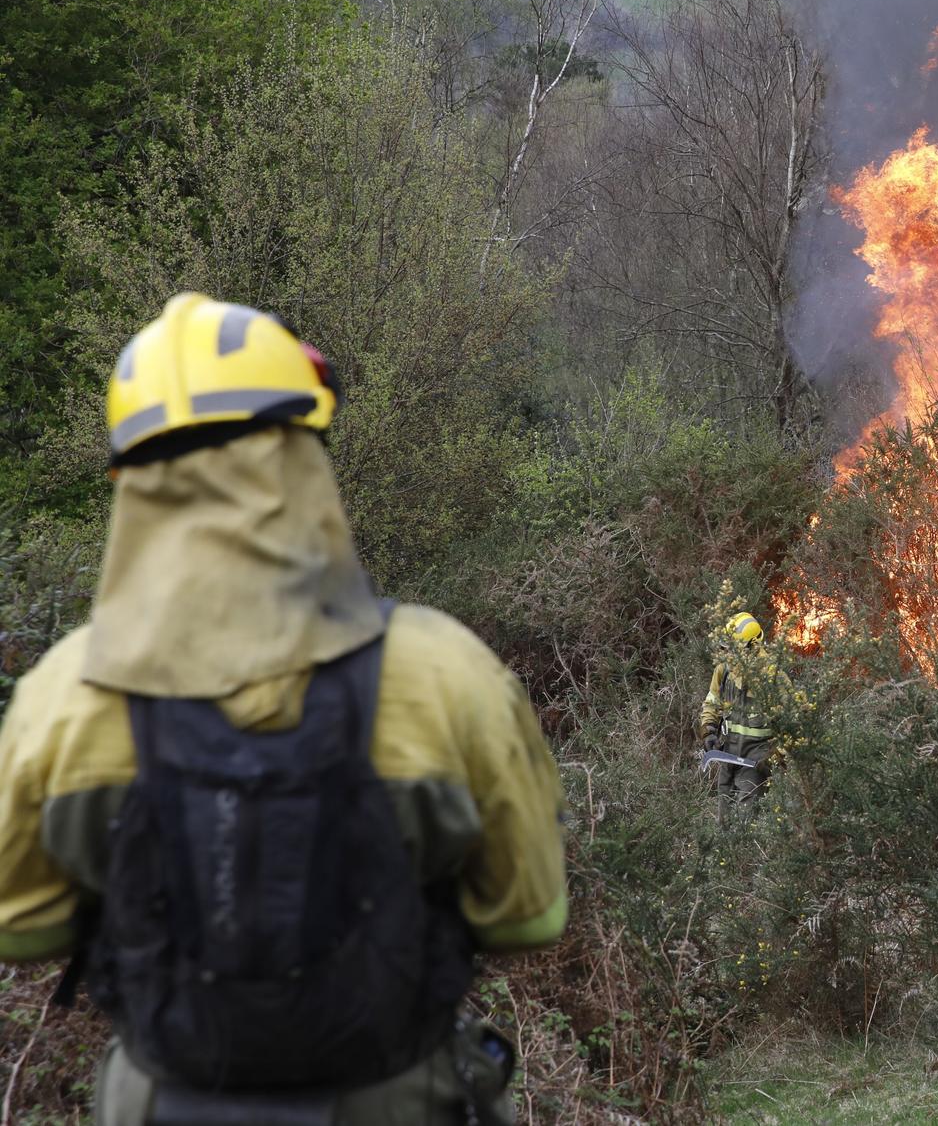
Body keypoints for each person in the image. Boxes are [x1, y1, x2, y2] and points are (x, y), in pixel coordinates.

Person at [0, 294, 568, 1124]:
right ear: (303, 453)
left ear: (130, 476)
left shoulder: (62, 697)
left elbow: (20, 929)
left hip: (160, 1103)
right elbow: (530, 913)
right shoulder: (448, 673)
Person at [699, 612, 782, 818]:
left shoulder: (773, 677)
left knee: (747, 818)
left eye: (734, 649)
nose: (728, 654)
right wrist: (708, 730)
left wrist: (776, 755)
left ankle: (751, 850)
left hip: (757, 759)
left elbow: (794, 722)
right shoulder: (723, 671)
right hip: (729, 753)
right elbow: (712, 703)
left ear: (752, 647)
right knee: (724, 816)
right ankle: (725, 849)